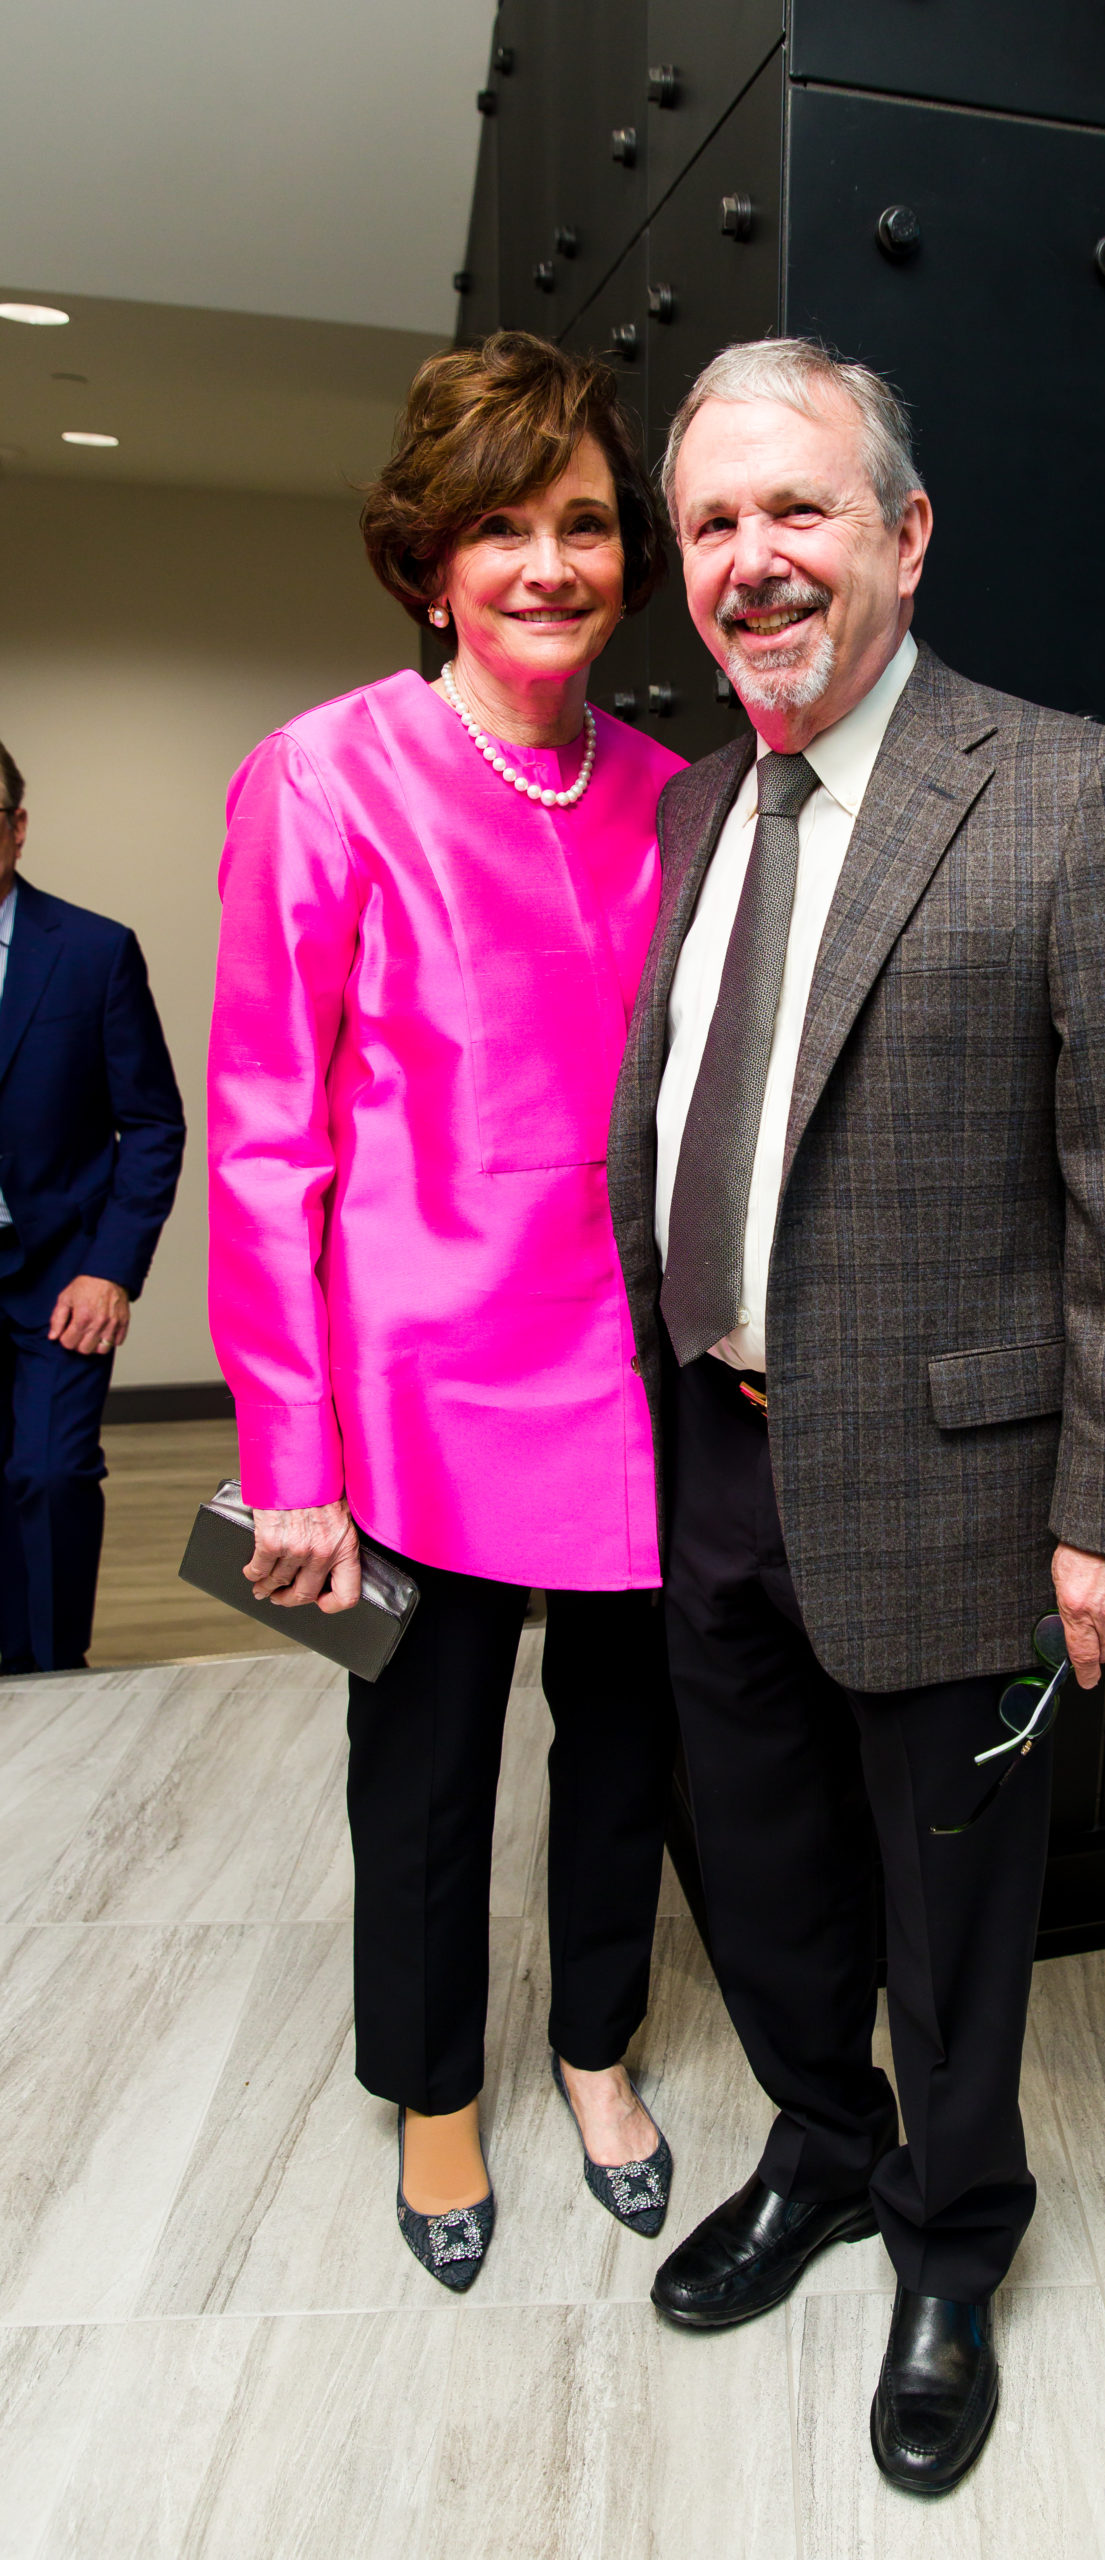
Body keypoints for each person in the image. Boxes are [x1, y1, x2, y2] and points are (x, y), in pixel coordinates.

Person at [607, 340, 1105, 2492]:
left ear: (905, 531)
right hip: (718, 1449)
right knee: (758, 1862)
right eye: (711, 523)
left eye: (796, 507)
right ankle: (820, 2141)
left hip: (958, 1485)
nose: (751, 559)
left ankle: (951, 2238)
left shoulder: (1066, 789)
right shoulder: (698, 803)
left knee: (951, 1911)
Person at [207, 333, 685, 2292]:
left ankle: (593, 2045)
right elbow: (265, 1140)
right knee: (420, 1774)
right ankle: (431, 2092)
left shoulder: (672, 793)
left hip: (636, 1375)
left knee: (625, 1751)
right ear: (426, 558)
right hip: (411, 1397)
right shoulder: (322, 775)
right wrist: (286, 1459)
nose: (546, 564)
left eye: (581, 522)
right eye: (499, 527)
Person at [0, 742, 185, 1674]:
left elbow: (151, 1124)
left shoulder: (92, 951)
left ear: (17, 828)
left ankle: (51, 1682)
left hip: (60, 1273)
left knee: (51, 1473)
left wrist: (110, 1269)